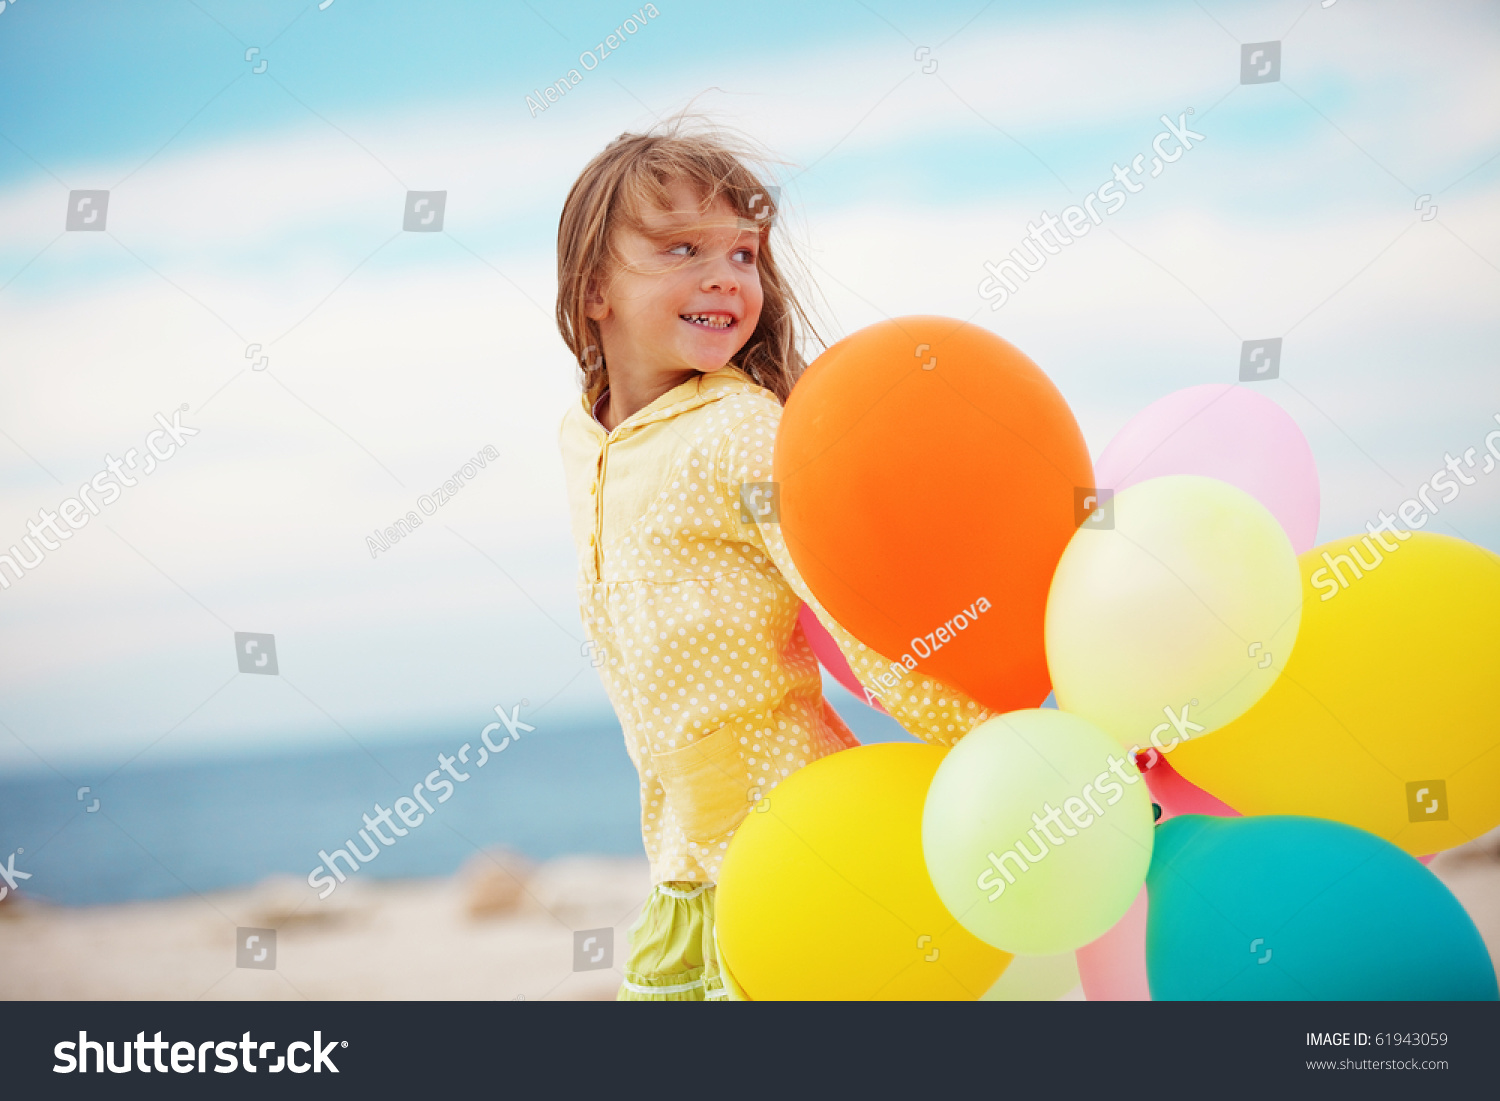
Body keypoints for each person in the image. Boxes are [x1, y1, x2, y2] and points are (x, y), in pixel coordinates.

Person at [555, 118, 997, 1000]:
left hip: (797, 850)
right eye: (685, 248)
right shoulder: (585, 439)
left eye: (746, 254)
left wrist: (1004, 755)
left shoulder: (748, 433)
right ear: (595, 286)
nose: (726, 276)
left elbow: (856, 619)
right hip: (684, 868)